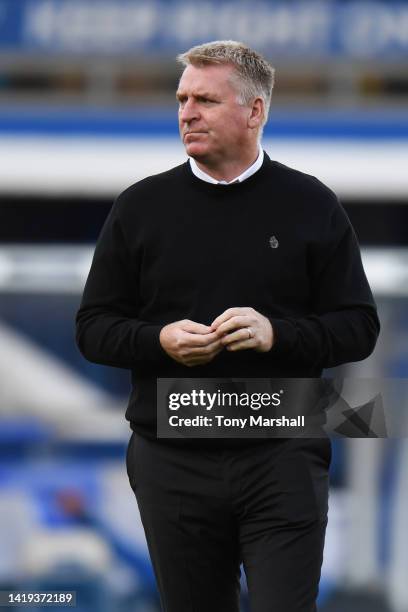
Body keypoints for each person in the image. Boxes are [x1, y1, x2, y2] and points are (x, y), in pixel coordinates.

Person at [76, 40, 380, 612]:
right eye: (182, 99)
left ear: (255, 111)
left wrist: (279, 334)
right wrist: (158, 340)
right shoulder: (140, 207)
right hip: (172, 458)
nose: (187, 113)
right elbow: (93, 328)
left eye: (206, 100)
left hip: (282, 450)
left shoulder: (311, 204)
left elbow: (359, 327)